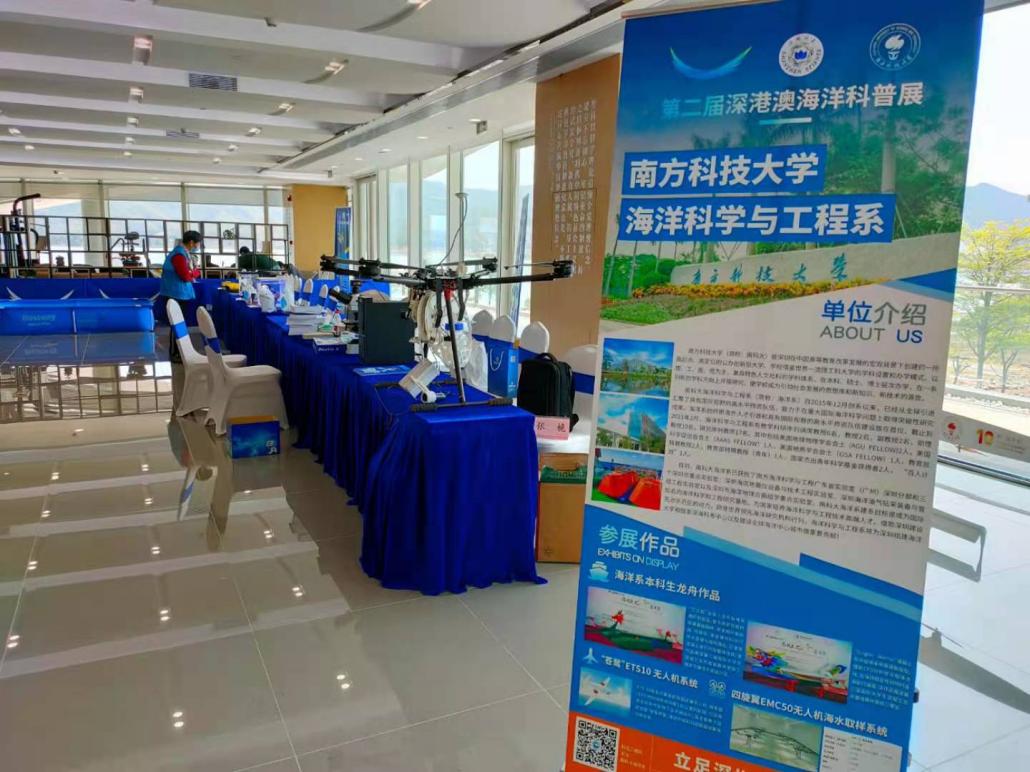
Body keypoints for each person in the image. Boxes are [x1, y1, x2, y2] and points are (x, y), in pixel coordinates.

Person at [160, 230, 203, 363]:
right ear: (191, 242)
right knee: (176, 323)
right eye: (198, 244)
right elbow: (185, 276)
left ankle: (179, 352)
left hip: (178, 293)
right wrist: (195, 273)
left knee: (179, 323)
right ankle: (175, 353)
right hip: (176, 295)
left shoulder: (182, 253)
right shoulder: (179, 255)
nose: (198, 246)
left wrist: (192, 272)